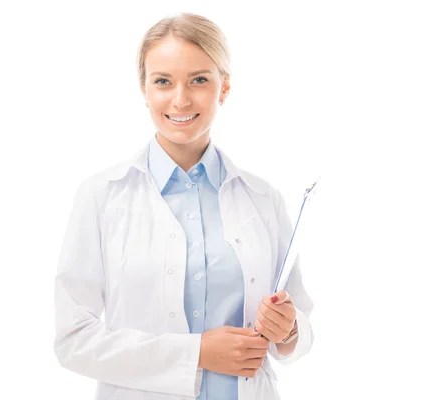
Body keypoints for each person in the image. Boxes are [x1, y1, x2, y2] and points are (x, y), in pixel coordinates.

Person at [53, 12, 314, 400]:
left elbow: (299, 326)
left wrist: (289, 329)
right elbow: (73, 339)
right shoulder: (102, 197)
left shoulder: (262, 199)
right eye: (163, 82)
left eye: (199, 80)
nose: (180, 99)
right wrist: (197, 354)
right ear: (144, 89)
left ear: (223, 88)